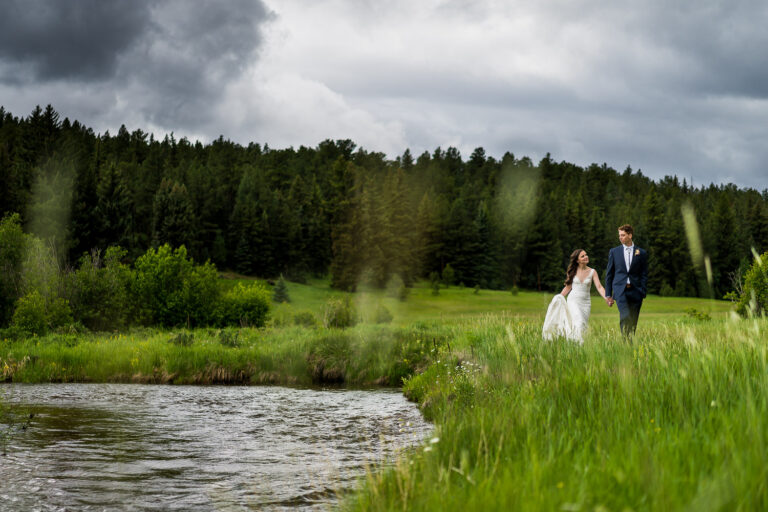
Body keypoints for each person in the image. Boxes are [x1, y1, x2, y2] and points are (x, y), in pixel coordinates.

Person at [542, 248, 608, 343]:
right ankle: (578, 343)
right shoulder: (573, 272)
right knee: (579, 321)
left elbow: (599, 287)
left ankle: (575, 344)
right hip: (573, 301)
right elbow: (568, 287)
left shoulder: (593, 272)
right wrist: (559, 297)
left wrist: (607, 298)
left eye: (586, 255)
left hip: (586, 303)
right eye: (583, 256)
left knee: (582, 325)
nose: (586, 257)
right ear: (577, 260)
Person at [605, 224, 649, 338]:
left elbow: (644, 273)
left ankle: (630, 342)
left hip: (636, 291)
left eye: (623, 235)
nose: (620, 237)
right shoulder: (614, 252)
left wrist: (643, 290)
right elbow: (609, 274)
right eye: (619, 235)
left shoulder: (641, 252)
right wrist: (608, 294)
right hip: (620, 291)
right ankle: (625, 342)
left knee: (633, 320)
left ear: (630, 235)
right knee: (625, 315)